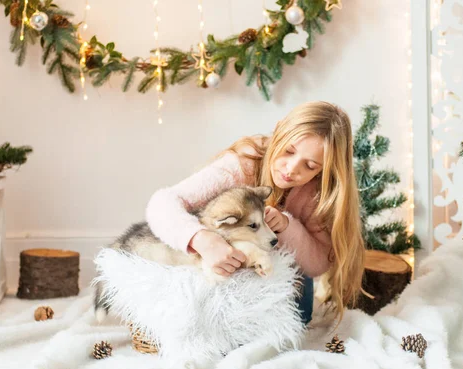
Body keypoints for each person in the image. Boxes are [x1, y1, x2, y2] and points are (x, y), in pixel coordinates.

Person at [145, 101, 365, 325]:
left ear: (325, 169)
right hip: (225, 257)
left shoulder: (317, 193)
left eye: (309, 165)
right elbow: (162, 203)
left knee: (295, 317)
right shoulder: (243, 164)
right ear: (278, 131)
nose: (291, 169)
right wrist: (202, 240)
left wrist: (286, 228)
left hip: (283, 274)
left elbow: (318, 264)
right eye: (288, 151)